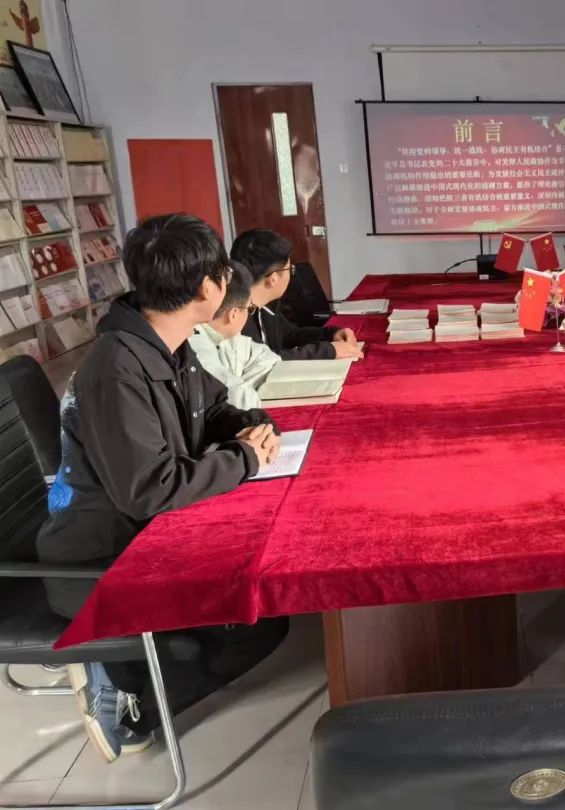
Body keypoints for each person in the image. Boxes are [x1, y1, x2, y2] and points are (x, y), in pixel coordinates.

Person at [36, 214, 289, 762]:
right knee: (258, 621)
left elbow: (211, 409)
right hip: (105, 560)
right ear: (206, 289)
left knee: (262, 586)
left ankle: (139, 670)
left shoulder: (165, 342)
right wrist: (243, 459)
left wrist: (250, 424)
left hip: (147, 531)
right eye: (223, 273)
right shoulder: (116, 369)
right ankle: (129, 696)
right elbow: (151, 489)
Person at [230, 229, 362, 360]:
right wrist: (327, 351)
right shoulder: (234, 318)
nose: (291, 275)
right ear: (273, 279)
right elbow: (261, 362)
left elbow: (290, 335)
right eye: (290, 269)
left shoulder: (266, 305)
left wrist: (330, 334)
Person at [189, 259, 282, 409]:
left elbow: (267, 358)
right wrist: (245, 384)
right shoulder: (194, 342)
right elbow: (238, 397)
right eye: (249, 308)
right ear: (233, 314)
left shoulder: (222, 336)